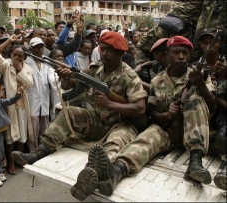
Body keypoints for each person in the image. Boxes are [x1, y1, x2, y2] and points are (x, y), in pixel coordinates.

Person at [70, 36, 217, 200]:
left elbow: (212, 107)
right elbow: (153, 114)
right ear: (167, 55)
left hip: (195, 132)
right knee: (144, 139)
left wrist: (200, 85)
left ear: (190, 56)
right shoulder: (157, 81)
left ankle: (195, 163)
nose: (181, 56)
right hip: (168, 131)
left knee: (195, 100)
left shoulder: (200, 76)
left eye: (185, 53)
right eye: (176, 52)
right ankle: (115, 172)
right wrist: (167, 114)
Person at [11, 32, 147, 200]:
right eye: (103, 49)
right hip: (98, 121)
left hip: (121, 124)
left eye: (109, 50)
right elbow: (69, 86)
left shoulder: (129, 75)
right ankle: (40, 151)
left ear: (120, 53)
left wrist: (109, 103)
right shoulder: (94, 68)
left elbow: (140, 108)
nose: (104, 53)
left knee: (115, 142)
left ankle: (98, 176)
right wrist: (65, 76)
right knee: (69, 112)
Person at [0, 34, 34, 175]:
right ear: (11, 54)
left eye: (20, 56)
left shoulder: (27, 68)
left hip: (22, 107)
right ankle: (10, 164)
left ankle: (19, 159)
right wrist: (9, 41)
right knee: (9, 137)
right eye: (14, 54)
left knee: (22, 135)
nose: (16, 58)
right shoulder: (6, 65)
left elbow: (29, 83)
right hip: (9, 107)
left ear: (25, 58)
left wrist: (20, 69)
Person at [24, 37, 56, 152]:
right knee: (33, 130)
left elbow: (52, 79)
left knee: (45, 129)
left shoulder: (47, 61)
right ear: (31, 48)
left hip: (45, 101)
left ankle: (43, 152)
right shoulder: (26, 62)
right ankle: (33, 152)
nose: (39, 49)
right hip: (32, 101)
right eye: (37, 47)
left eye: (41, 46)